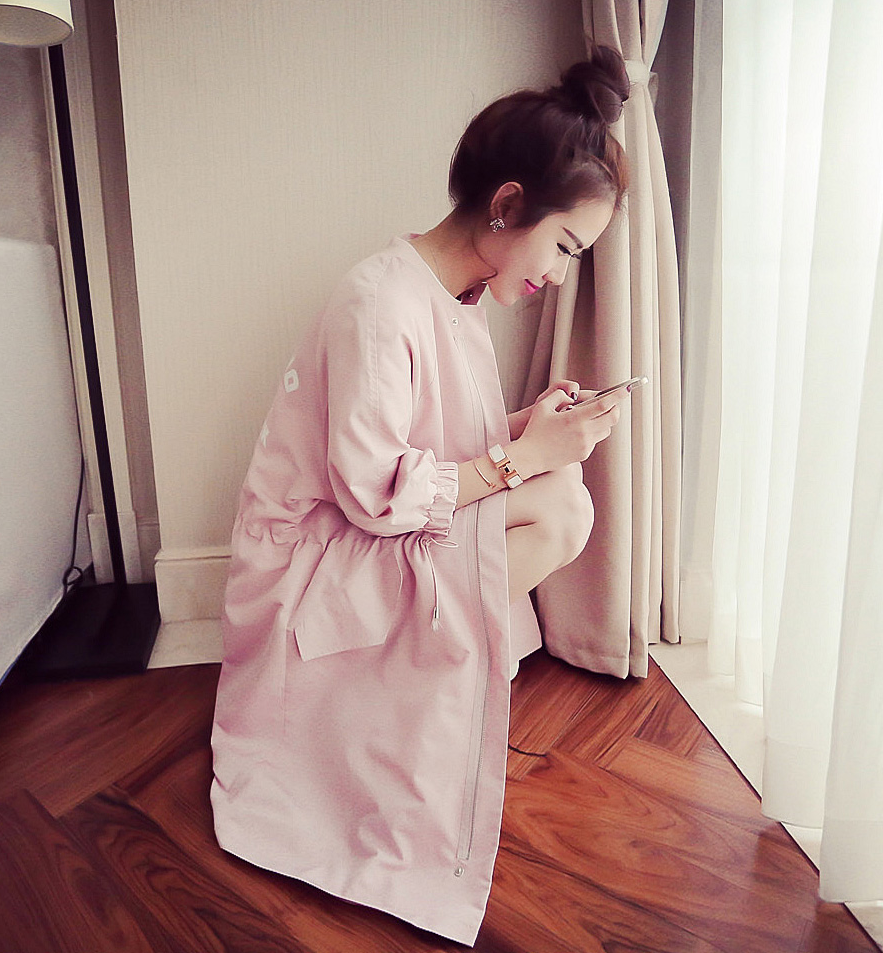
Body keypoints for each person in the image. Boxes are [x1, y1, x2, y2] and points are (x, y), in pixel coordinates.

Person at [211, 46, 631, 946]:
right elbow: (375, 495)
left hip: (373, 519)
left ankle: (443, 653)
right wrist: (525, 459)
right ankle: (431, 660)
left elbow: (436, 449)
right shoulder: (382, 302)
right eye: (564, 247)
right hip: (316, 552)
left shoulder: (456, 297)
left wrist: (528, 431)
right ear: (508, 204)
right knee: (558, 504)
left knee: (560, 490)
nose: (561, 274)